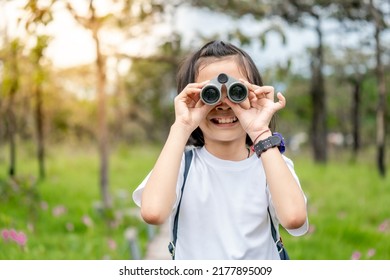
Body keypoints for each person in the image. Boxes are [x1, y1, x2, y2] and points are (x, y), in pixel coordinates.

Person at [132, 40, 308, 260]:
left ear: (255, 93)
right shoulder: (181, 167)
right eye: (210, 93)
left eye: (237, 91)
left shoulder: (271, 164)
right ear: (189, 98)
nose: (223, 105)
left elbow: (294, 218)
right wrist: (181, 127)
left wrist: (260, 131)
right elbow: (153, 212)